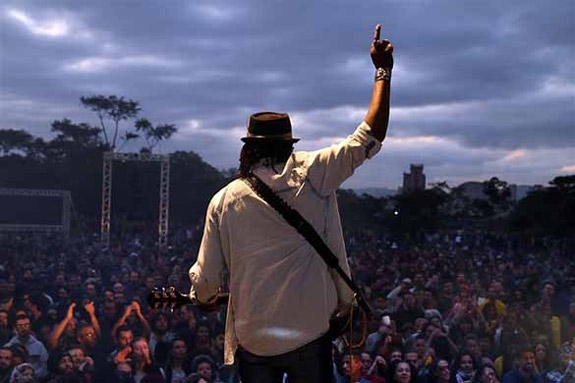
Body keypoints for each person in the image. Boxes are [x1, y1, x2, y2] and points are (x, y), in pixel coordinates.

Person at [188, 23, 394, 383]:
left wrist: (203, 296)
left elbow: (205, 282)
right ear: (290, 145)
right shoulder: (316, 173)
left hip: (255, 340)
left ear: (247, 148)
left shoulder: (223, 201)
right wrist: (382, 71)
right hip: (310, 333)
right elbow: (372, 134)